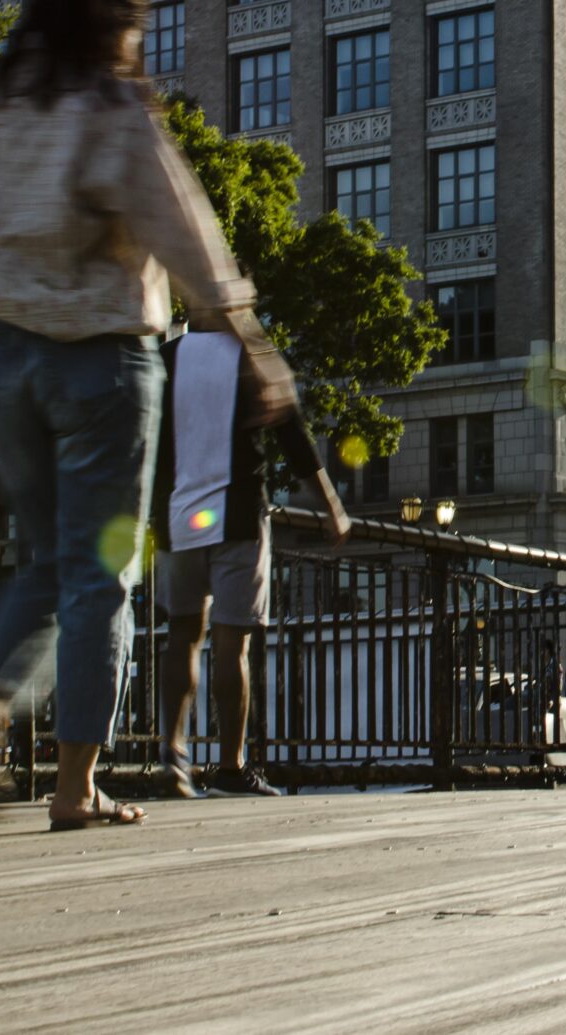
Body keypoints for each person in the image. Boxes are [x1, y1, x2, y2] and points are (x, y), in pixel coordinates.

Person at [0, 0, 292, 830]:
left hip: (6, 362)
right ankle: (74, 785)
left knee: (48, 557)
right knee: (101, 573)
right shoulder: (110, 111)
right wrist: (247, 340)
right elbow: (190, 234)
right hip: (103, 363)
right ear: (121, 27)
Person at [152, 328, 350, 800]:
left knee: (182, 634)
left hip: (175, 514)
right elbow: (293, 436)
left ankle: (172, 757)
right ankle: (230, 767)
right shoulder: (254, 357)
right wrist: (332, 509)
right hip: (237, 512)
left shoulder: (167, 356)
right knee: (231, 642)